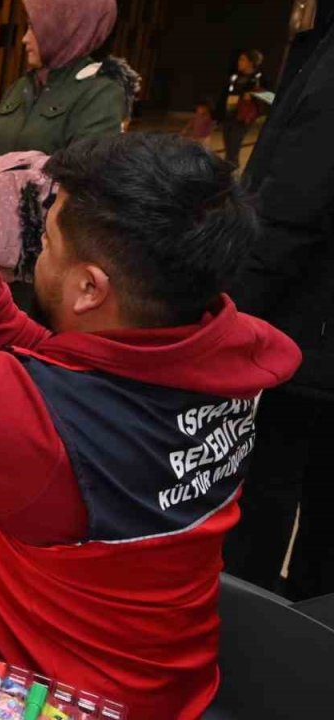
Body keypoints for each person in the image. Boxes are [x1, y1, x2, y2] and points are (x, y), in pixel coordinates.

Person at [0, 123, 300, 718]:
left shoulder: (38, 426)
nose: (37, 251)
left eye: (46, 243)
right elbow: (66, 365)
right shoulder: (224, 360)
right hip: (160, 681)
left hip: (44, 694)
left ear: (90, 288)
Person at [224, 19, 334, 601]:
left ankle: (261, 627)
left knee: (270, 485)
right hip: (310, 322)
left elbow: (294, 204)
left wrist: (231, 314)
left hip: (305, 326)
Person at [0, 0, 124, 173]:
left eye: (33, 28)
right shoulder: (22, 85)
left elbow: (82, 177)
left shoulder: (99, 95)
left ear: (64, 30)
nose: (24, 39)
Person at [218, 50, 265, 169]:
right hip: (230, 114)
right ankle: (230, 172)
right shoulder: (235, 76)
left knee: (233, 147)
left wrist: (253, 94)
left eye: (242, 59)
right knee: (229, 147)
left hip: (243, 117)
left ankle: (230, 175)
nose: (239, 62)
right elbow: (227, 95)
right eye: (239, 59)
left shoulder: (258, 78)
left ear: (250, 62)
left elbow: (270, 96)